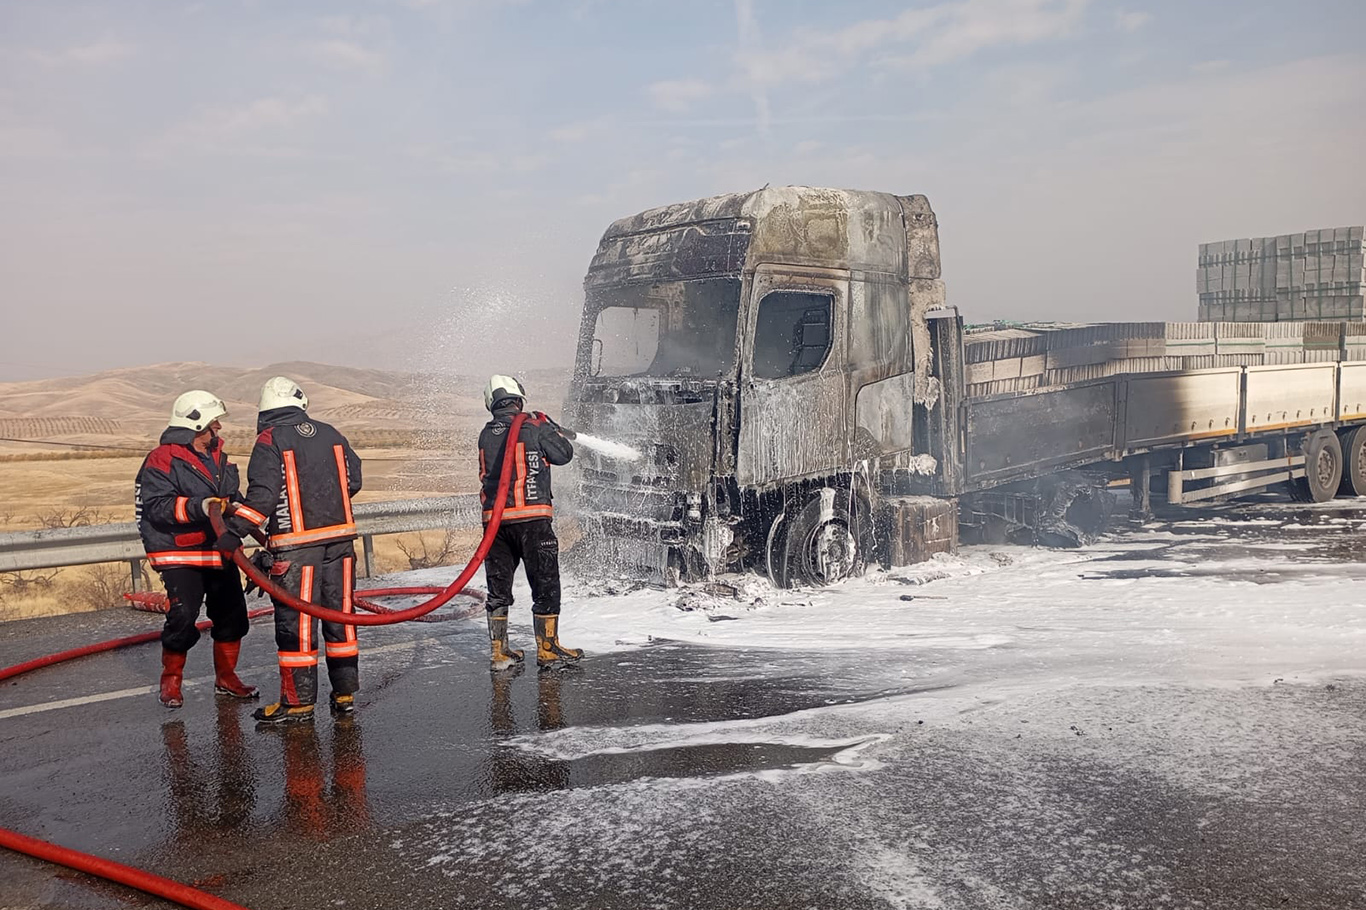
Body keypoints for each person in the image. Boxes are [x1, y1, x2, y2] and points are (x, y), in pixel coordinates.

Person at [217, 377, 363, 725]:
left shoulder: (270, 440)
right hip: (341, 544)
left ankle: (297, 704)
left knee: (296, 625)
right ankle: (344, 694)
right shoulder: (331, 432)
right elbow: (353, 480)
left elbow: (263, 499)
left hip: (296, 551)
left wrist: (231, 533)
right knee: (340, 619)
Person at [135, 390, 258, 708]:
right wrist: (199, 506)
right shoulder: (163, 459)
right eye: (213, 422)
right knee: (183, 615)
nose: (218, 428)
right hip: (179, 553)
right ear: (195, 423)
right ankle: (171, 681)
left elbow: (233, 501)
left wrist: (255, 526)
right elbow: (157, 507)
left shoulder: (220, 459)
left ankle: (227, 678)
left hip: (219, 547)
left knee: (232, 615)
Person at [478, 374, 582, 670]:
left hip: (495, 525)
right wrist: (550, 429)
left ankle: (499, 652)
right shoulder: (534, 426)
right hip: (533, 520)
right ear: (518, 398)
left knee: (498, 588)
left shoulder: (485, 433)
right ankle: (548, 649)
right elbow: (564, 455)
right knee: (545, 583)